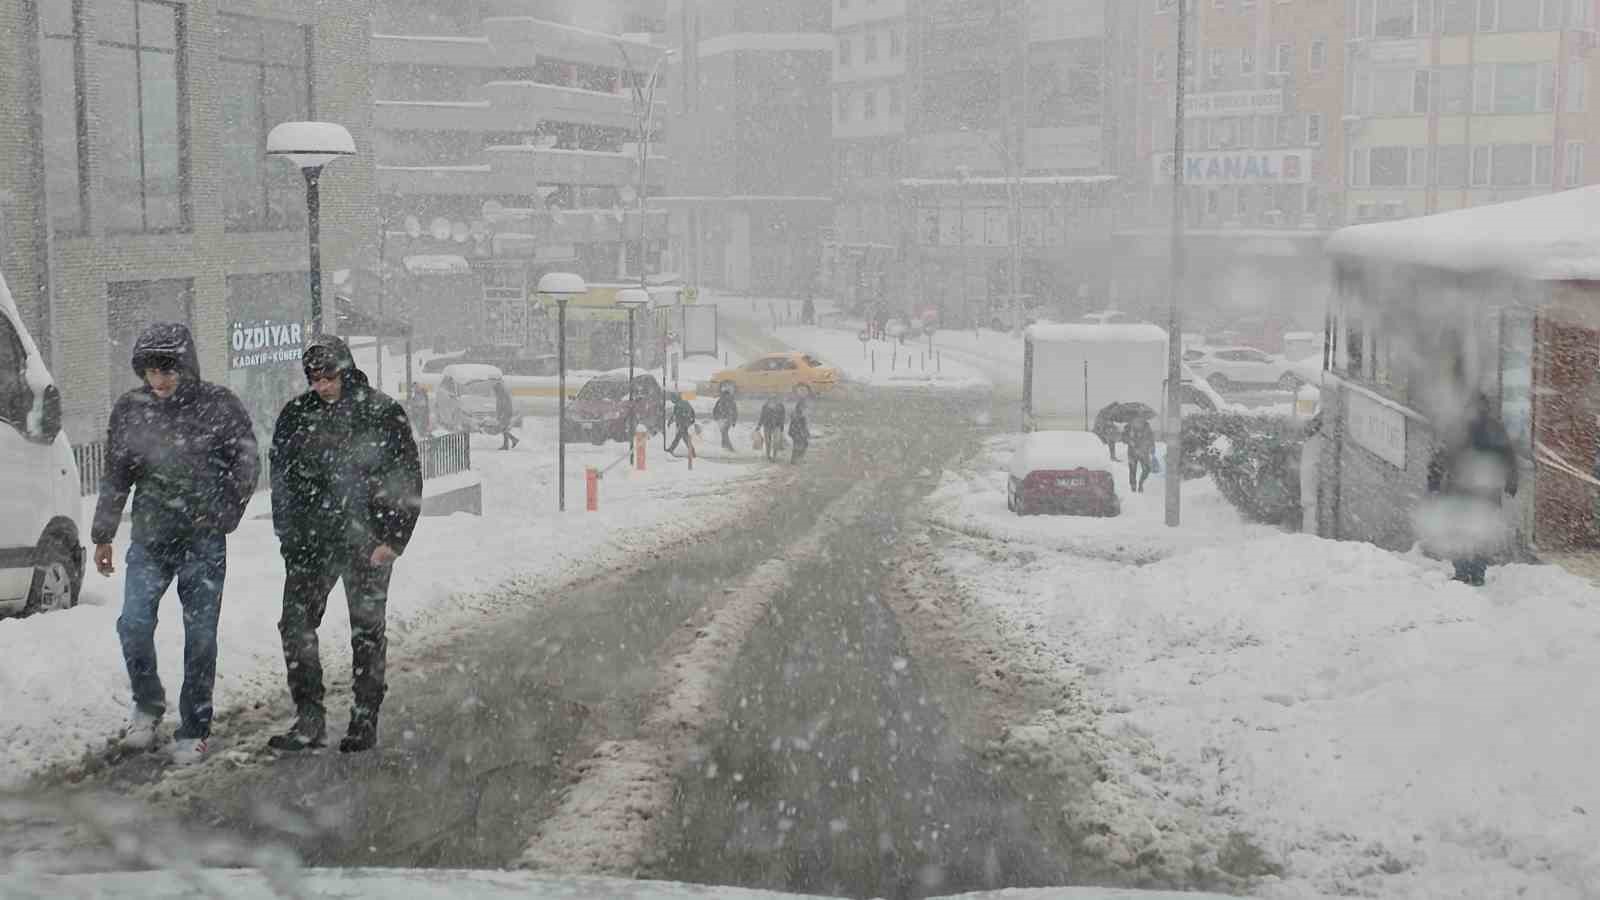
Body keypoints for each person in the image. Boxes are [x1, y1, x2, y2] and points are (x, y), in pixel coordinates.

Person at [92, 323, 259, 765]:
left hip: (202, 541)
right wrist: (103, 532)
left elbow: (245, 462)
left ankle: (195, 726)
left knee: (200, 635)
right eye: (151, 372)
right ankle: (147, 707)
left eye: (168, 371)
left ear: (186, 366)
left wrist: (223, 513)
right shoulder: (131, 410)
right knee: (133, 623)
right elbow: (117, 474)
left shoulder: (219, 406)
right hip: (151, 537)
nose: (159, 381)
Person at [269, 335, 423, 753]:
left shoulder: (381, 413)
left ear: (346, 369)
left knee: (367, 632)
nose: (322, 386)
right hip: (311, 544)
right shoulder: (296, 417)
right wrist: (289, 536)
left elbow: (405, 475)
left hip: (368, 542)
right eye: (314, 379)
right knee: (295, 625)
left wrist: (393, 538)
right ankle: (309, 717)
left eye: (328, 377)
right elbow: (281, 481)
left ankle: (364, 717)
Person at [1426, 391, 1519, 586]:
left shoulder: (1457, 428)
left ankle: (1463, 571)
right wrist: (1511, 482)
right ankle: (1477, 572)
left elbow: (1439, 457)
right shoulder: (1495, 429)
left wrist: (1434, 483)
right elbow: (1508, 458)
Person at [1124, 413, 1156, 493]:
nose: (1139, 419)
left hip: (1144, 452)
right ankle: (1133, 487)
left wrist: (1152, 447)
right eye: (1137, 418)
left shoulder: (1146, 426)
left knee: (1147, 469)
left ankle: (1141, 483)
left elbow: (1151, 437)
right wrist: (1129, 440)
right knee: (1132, 470)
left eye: (1141, 417)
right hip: (1132, 452)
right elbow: (1123, 437)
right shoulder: (1128, 427)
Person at [666, 392, 697, 457]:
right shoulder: (686, 402)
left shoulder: (678, 405)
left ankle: (692, 451)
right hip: (687, 422)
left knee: (682, 437)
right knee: (681, 437)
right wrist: (691, 421)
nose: (672, 401)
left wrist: (670, 422)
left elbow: (675, 416)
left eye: (672, 399)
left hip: (682, 423)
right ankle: (672, 449)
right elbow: (692, 412)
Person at [758, 398, 787, 463]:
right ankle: (768, 455)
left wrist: (782, 426)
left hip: (777, 426)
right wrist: (759, 426)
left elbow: (783, 416)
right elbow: (762, 416)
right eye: (771, 401)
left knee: (776, 442)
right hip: (767, 425)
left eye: (774, 401)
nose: (772, 403)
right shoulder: (765, 406)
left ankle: (774, 456)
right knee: (767, 441)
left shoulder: (780, 406)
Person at [494, 379, 519, 450]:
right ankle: (509, 443)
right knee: (504, 429)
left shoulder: (502, 395)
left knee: (503, 429)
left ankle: (511, 441)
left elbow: (502, 406)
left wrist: (500, 415)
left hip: (505, 414)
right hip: (506, 414)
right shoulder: (503, 394)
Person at [712, 384, 739, 452]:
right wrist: (734, 421)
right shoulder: (731, 401)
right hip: (727, 419)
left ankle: (730, 448)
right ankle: (724, 446)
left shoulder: (721, 400)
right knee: (724, 433)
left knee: (724, 433)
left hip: (723, 419)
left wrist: (716, 417)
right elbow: (735, 411)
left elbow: (715, 410)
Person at [788, 398, 811, 464]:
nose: (804, 408)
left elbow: (804, 425)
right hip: (795, 432)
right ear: (799, 406)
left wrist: (806, 432)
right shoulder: (795, 413)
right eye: (803, 406)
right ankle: (794, 460)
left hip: (800, 432)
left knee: (805, 444)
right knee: (797, 445)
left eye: (804, 407)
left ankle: (799, 458)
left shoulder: (801, 413)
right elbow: (796, 423)